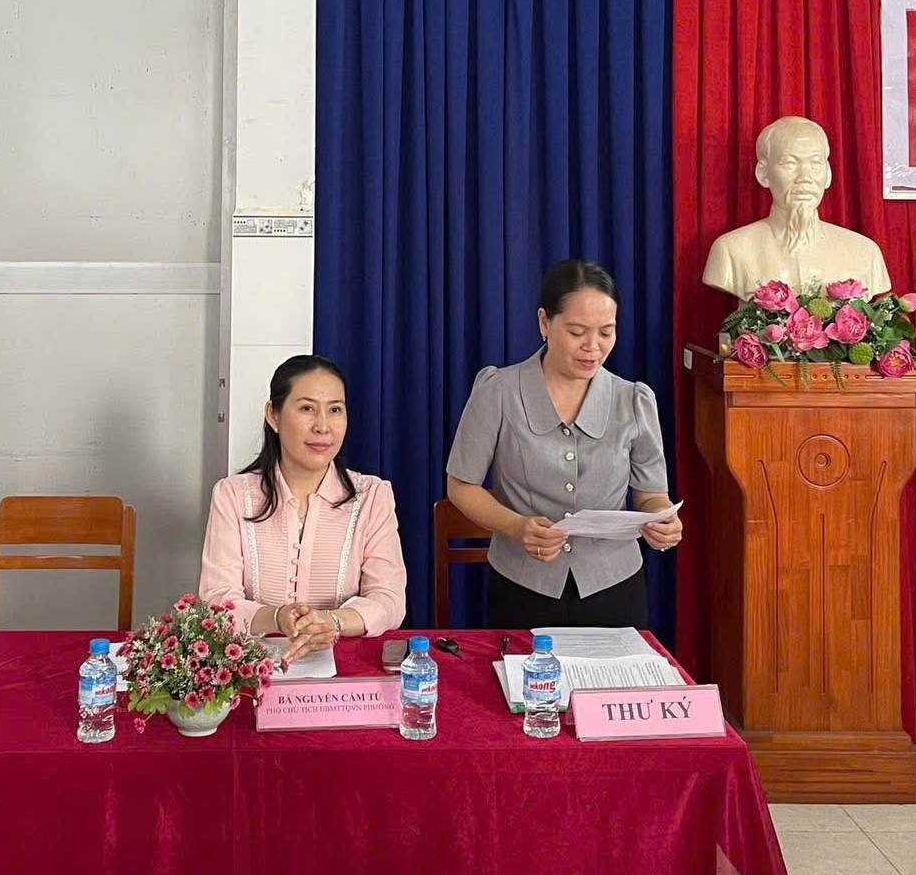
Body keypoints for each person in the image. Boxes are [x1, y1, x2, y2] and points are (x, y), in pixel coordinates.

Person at [445, 259, 681, 631]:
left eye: (606, 332)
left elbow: (651, 496)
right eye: (576, 332)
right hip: (522, 586)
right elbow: (461, 485)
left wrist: (663, 520)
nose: (593, 347)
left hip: (615, 588)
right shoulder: (499, 392)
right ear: (544, 322)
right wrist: (516, 526)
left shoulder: (633, 400)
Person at [199, 354, 406, 660]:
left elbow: (389, 600)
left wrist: (331, 622)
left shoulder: (372, 495)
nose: (323, 426)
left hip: (345, 666)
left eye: (335, 410)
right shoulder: (232, 495)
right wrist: (276, 617)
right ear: (273, 415)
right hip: (252, 665)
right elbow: (217, 601)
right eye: (307, 408)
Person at [702, 116, 892, 299]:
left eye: (815, 163)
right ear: (763, 173)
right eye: (790, 163)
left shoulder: (865, 252)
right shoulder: (731, 250)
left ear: (827, 174)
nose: (805, 177)